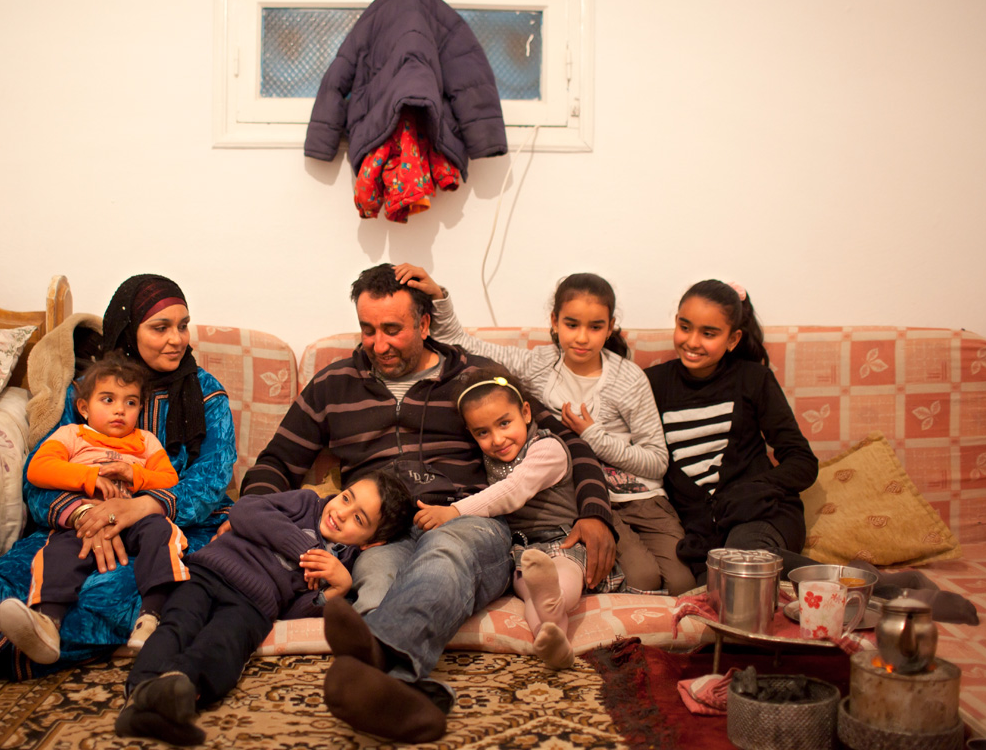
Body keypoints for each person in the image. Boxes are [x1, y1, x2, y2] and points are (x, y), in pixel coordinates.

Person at [240, 263, 616, 743]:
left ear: (423, 324)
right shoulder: (332, 385)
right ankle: (400, 689)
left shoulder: (477, 378)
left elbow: (565, 441)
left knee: (445, 555)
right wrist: (248, 519)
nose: (378, 345)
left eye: (393, 329)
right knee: (376, 578)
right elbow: (277, 461)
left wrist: (594, 512)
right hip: (378, 532)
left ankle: (377, 660)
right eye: (368, 329)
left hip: (466, 520)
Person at [0, 275, 237, 691]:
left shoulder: (205, 392)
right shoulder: (92, 391)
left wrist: (140, 507)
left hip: (170, 528)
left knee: (104, 597)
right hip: (77, 524)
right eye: (160, 327)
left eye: (182, 325)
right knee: (9, 580)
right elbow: (38, 481)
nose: (177, 339)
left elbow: (213, 478)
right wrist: (86, 514)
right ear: (129, 330)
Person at [397, 264, 695, 596]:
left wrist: (593, 436)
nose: (582, 337)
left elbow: (656, 461)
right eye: (571, 324)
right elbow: (465, 345)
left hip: (645, 498)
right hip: (596, 498)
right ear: (554, 322)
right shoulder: (538, 364)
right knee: (643, 578)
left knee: (683, 582)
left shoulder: (628, 378)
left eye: (595, 327)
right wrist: (438, 297)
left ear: (611, 327)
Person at [114, 471, 416, 746]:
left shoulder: (341, 565)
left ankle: (173, 699)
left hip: (253, 607)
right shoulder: (307, 502)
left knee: (223, 648)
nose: (341, 513)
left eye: (358, 520)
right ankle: (138, 695)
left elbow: (292, 611)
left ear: (372, 543)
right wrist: (307, 552)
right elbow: (247, 510)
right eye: (346, 498)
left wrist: (334, 592)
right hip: (210, 571)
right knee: (178, 625)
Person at [0, 351, 189, 664]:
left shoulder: (145, 441)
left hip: (133, 518)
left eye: (131, 402)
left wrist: (133, 473)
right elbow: (38, 469)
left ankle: (151, 617)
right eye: (108, 400)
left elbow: (169, 479)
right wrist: (90, 476)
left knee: (162, 532)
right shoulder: (72, 434)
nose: (120, 411)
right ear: (84, 407)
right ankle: (47, 622)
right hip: (83, 520)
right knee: (57, 552)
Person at [643, 280, 818, 580]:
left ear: (733, 339)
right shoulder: (652, 384)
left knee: (739, 568)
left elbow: (803, 462)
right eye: (685, 327)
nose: (692, 341)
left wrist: (749, 491)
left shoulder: (754, 379)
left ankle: (873, 585)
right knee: (715, 584)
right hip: (702, 538)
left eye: (708, 334)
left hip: (763, 516)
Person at [416, 368, 583, 670]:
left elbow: (513, 490)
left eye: (505, 423)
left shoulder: (547, 448)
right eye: (483, 433)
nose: (497, 439)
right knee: (532, 594)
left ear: (526, 413)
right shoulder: (493, 455)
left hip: (562, 538)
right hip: (522, 548)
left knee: (564, 574)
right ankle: (553, 640)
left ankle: (555, 596)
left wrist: (454, 511)